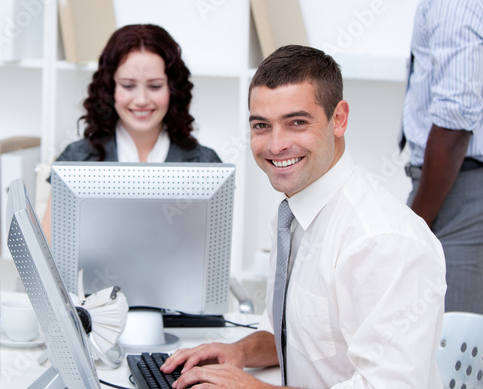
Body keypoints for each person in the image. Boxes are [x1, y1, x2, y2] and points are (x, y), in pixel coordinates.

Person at [161, 45, 447, 388]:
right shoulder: (291, 212)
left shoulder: (382, 241)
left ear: (338, 118)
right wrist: (241, 353)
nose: (276, 144)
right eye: (261, 125)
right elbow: (296, 336)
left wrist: (253, 388)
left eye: (297, 122)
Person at [42, 24, 221, 240]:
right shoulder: (77, 160)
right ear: (110, 89)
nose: (142, 100)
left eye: (155, 86)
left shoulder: (204, 164)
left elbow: (209, 254)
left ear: (172, 89)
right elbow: (49, 257)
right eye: (128, 86)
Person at [401, 0, 483, 313]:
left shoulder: (454, 3)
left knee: (449, 345)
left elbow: (455, 120)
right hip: (455, 181)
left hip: (458, 188)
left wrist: (415, 225)